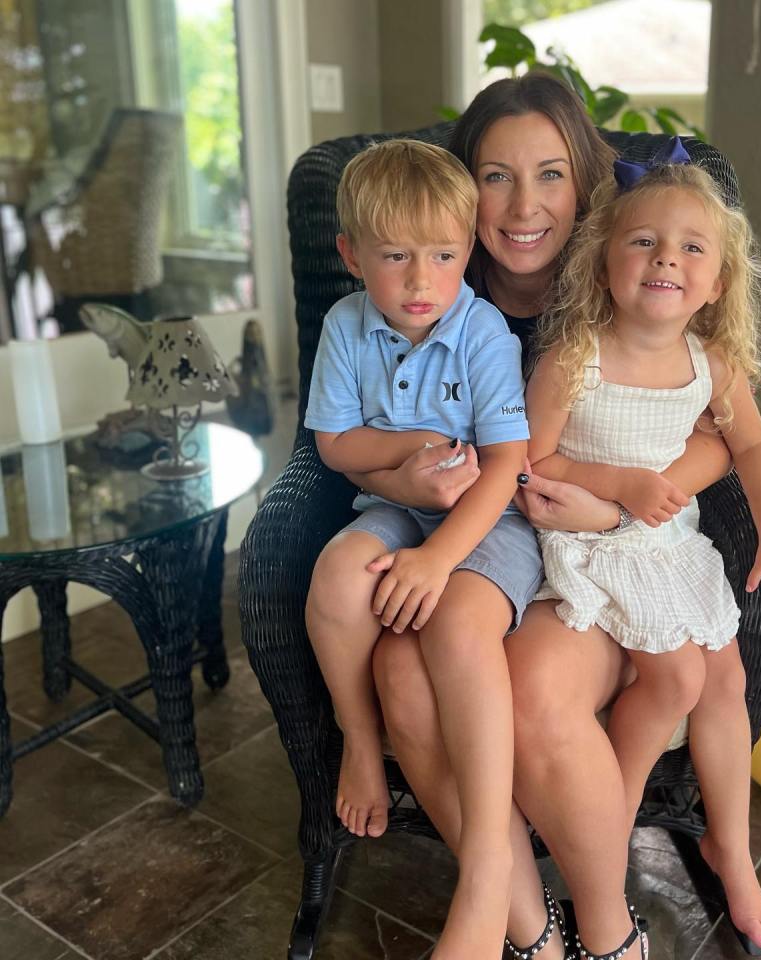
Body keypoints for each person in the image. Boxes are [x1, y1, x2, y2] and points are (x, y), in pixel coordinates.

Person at [341, 74, 734, 960]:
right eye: (495, 177)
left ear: (585, 184)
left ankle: (610, 934)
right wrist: (405, 484)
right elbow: (349, 431)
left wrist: (618, 497)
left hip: (589, 561)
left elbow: (725, 431)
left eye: (551, 175)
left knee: (539, 697)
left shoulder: (627, 287)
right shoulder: (427, 287)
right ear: (459, 187)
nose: (524, 206)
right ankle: (527, 928)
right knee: (403, 673)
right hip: (469, 542)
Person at [525, 145, 761, 953]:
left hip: (673, 547)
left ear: (718, 281)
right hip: (595, 544)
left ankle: (728, 843)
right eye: (645, 241)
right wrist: (617, 480)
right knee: (676, 674)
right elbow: (530, 463)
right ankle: (606, 830)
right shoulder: (573, 359)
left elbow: (754, 449)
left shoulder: (711, 365)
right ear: (604, 260)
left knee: (724, 677)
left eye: (693, 248)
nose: (667, 259)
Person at [302, 139, 542, 959]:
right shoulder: (346, 324)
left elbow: (507, 463)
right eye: (395, 257)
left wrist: (442, 559)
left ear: (467, 250)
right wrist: (405, 483)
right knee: (336, 578)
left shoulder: (482, 333)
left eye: (442, 256)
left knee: (452, 626)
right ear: (351, 254)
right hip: (397, 502)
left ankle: (485, 871)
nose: (418, 282)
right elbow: (335, 443)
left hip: (488, 519)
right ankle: (361, 746)